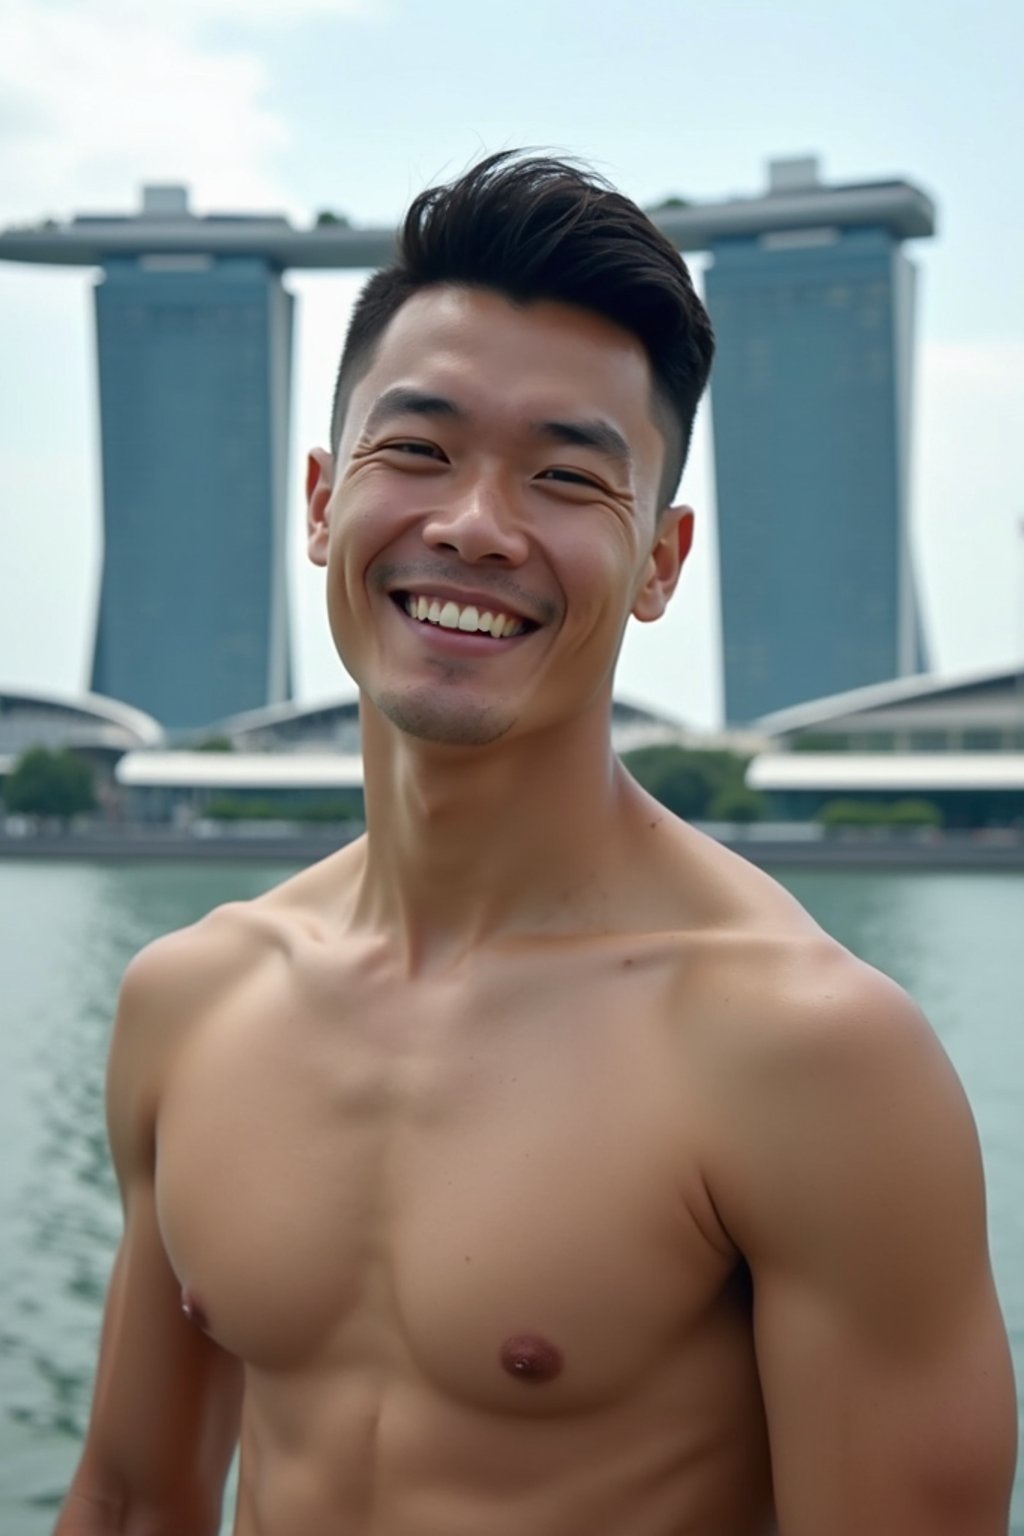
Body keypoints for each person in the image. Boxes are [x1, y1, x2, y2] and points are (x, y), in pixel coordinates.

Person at [56, 152, 1016, 1536]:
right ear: (323, 498)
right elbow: (137, 1500)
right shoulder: (191, 1001)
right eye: (417, 451)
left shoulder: (807, 1055)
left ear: (662, 562)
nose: (475, 526)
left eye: (568, 477)